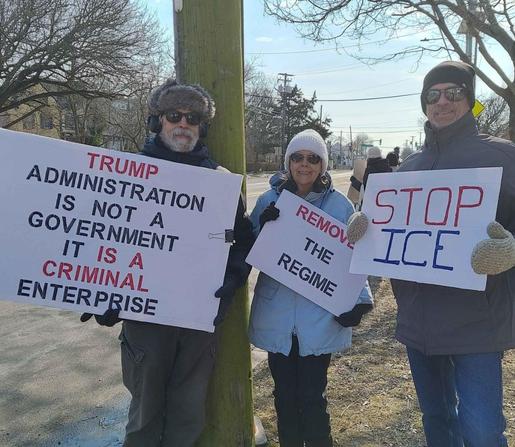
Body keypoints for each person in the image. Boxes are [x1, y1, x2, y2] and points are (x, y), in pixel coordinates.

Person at [346, 60, 515, 447]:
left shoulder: (505, 158)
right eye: (432, 95)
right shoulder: (409, 168)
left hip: (478, 325)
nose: (442, 102)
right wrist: (366, 229)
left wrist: (510, 248)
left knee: (483, 431)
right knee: (436, 421)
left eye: (453, 93)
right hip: (420, 323)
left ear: (470, 100)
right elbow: (393, 236)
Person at [81, 79, 254, 447]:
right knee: (144, 418)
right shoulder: (127, 176)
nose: (183, 124)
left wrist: (233, 279)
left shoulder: (221, 184)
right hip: (146, 320)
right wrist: (102, 296)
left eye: (192, 118)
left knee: (187, 417)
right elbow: (102, 241)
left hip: (197, 320)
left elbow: (242, 243)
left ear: (201, 127)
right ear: (157, 121)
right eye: (174, 115)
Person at [249, 129, 374, 447]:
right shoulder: (268, 199)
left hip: (319, 317)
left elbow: (354, 255)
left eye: (313, 159)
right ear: (288, 161)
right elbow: (244, 251)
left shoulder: (340, 206)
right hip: (277, 315)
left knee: (313, 396)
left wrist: (360, 300)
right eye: (298, 157)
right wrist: (261, 229)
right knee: (284, 397)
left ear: (323, 165)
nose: (305, 165)